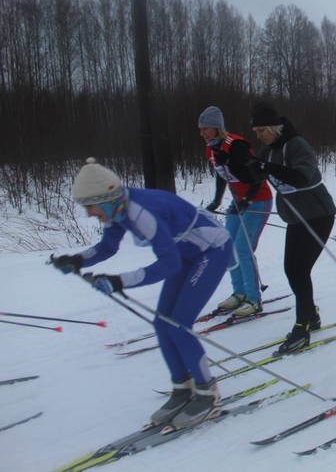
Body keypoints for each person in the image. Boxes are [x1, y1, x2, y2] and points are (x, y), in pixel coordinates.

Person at [51, 158, 232, 429]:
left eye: (90, 207)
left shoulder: (140, 212)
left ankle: (208, 395)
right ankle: (183, 389)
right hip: (185, 254)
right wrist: (77, 260)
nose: (89, 214)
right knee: (162, 323)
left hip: (211, 251)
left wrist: (119, 281)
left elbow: (167, 264)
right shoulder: (118, 208)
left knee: (179, 324)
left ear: (106, 198)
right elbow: (107, 247)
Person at [246, 101, 336, 353]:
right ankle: (311, 314)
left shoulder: (297, 145)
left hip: (318, 214)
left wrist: (267, 167)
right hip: (296, 217)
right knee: (291, 269)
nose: (259, 136)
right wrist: (240, 167)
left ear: (274, 128)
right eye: (256, 132)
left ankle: (301, 327)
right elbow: (256, 175)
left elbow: (301, 176)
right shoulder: (269, 150)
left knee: (300, 270)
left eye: (261, 131)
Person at [198, 106, 273, 317]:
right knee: (226, 245)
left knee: (242, 248)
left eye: (206, 128)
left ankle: (253, 299)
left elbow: (257, 177)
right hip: (239, 200)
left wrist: (247, 199)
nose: (202, 133)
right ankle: (239, 293)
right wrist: (217, 200)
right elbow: (222, 174)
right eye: (201, 129)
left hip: (258, 201)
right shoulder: (211, 148)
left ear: (217, 128)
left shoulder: (236, 145)